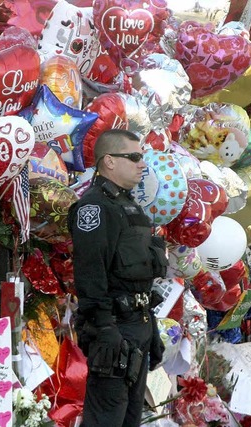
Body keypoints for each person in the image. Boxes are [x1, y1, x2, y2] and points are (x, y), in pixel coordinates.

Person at [67, 130, 167, 427]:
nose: (141, 164)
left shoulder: (129, 206)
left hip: (137, 326)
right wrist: (104, 326)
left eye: (142, 158)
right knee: (106, 419)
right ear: (109, 161)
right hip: (114, 330)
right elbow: (90, 272)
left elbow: (138, 277)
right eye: (134, 157)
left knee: (129, 420)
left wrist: (151, 328)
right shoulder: (95, 207)